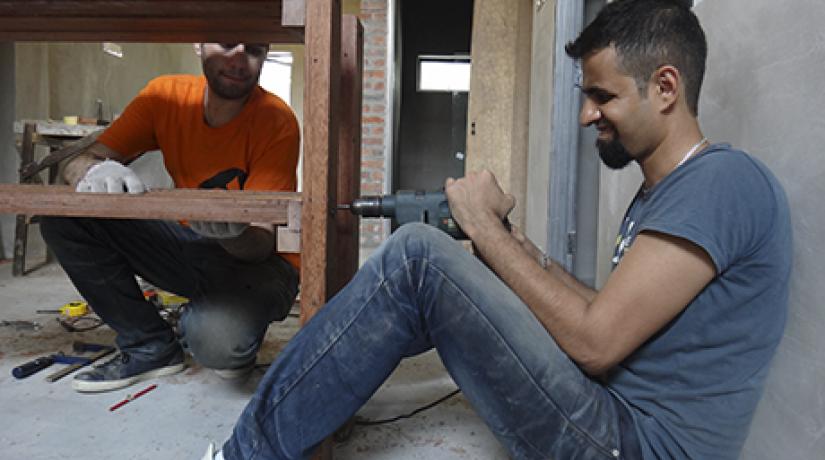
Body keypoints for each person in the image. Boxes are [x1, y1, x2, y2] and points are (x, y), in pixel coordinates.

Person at [204, 1, 791, 459]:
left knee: (416, 258)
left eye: (601, 96)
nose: (587, 114)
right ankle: (315, 397)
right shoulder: (667, 191)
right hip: (616, 418)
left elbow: (594, 343)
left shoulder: (722, 183)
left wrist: (486, 230)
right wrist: (512, 244)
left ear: (665, 87)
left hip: (628, 443)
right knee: (421, 275)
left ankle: (247, 454)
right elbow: (609, 314)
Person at [40, 43, 301, 393]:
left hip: (263, 265)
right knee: (64, 217)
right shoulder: (165, 97)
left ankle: (222, 324)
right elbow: (77, 160)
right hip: (192, 246)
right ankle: (149, 346)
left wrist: (232, 233)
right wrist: (91, 170)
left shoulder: (276, 120)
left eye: (253, 48)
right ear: (199, 44)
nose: (238, 59)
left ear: (266, 53)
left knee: (217, 344)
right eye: (225, 44)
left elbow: (260, 243)